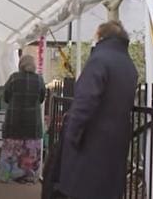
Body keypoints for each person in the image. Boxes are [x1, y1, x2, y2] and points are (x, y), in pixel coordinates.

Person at [59, 21, 138, 199]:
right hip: (117, 141)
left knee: (83, 190)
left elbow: (85, 101)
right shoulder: (128, 65)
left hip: (91, 142)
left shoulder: (99, 60)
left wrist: (72, 134)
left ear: (101, 36)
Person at [0, 54, 46, 184]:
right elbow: (41, 98)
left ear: (20, 65)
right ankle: (28, 177)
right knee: (30, 150)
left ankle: (6, 175)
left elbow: (6, 97)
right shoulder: (39, 79)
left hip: (14, 119)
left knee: (11, 149)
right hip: (32, 121)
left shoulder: (14, 78)